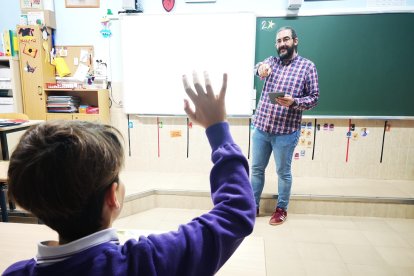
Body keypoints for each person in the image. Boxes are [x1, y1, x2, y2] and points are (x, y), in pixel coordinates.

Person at [4, 72, 256, 276]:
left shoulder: (15, 273)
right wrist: (218, 130)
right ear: (113, 197)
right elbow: (235, 213)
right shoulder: (148, 262)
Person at [252, 26, 319, 225]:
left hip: (286, 132)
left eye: (286, 39)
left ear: (295, 41)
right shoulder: (271, 62)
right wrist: (260, 69)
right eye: (279, 41)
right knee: (256, 169)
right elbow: (258, 68)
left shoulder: (308, 66)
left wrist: (295, 102)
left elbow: (314, 98)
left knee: (283, 172)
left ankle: (281, 209)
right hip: (261, 128)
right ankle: (252, 206)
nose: (282, 44)